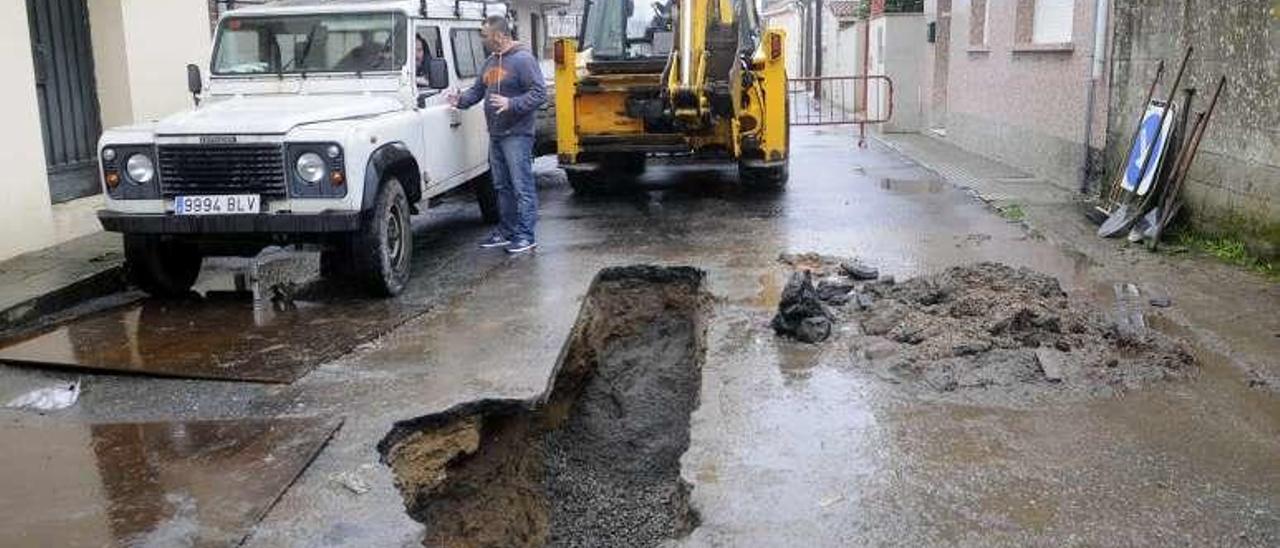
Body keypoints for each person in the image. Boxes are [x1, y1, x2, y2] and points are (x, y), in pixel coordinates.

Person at [449, 16, 546, 254]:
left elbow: (539, 93)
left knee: (521, 186)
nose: (482, 39)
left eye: (485, 34)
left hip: (517, 135)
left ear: (499, 36)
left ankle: (525, 235)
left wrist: (512, 103)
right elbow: (478, 90)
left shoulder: (523, 60)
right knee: (502, 186)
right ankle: (507, 230)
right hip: (496, 134)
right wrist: (460, 101)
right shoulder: (491, 62)